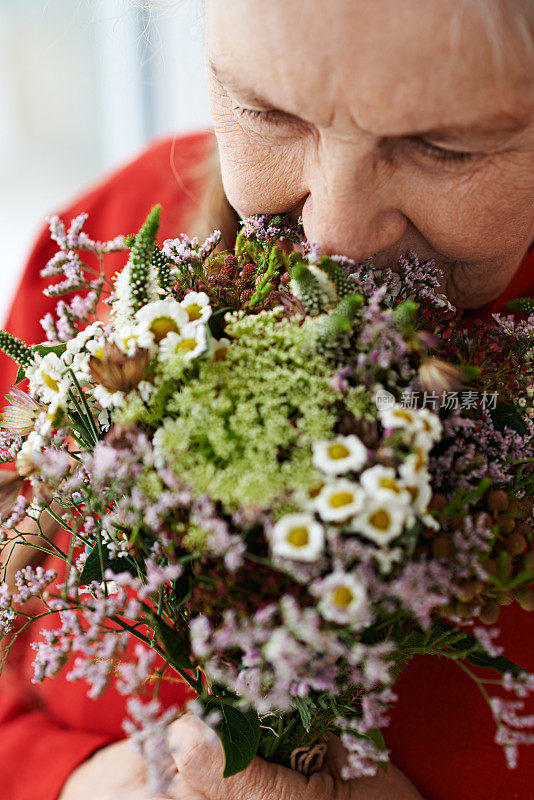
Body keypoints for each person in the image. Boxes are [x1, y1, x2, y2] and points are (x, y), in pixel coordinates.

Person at [0, 1, 533, 798]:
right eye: (265, 110)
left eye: (444, 147)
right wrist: (73, 783)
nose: (334, 234)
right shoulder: (99, 256)